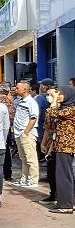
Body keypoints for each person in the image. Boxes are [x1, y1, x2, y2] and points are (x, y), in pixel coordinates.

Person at [42, 85, 75, 213]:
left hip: (66, 146)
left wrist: (54, 99)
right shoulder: (65, 108)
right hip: (59, 145)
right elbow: (50, 121)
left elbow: (51, 112)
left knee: (64, 176)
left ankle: (65, 205)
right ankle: (68, 202)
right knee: (63, 175)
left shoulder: (71, 109)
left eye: (61, 94)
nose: (59, 96)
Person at [12, 81, 40, 188]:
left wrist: (26, 132)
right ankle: (24, 179)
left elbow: (33, 118)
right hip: (19, 133)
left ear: (25, 89)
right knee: (23, 158)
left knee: (30, 158)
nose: (16, 89)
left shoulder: (31, 102)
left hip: (26, 134)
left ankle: (33, 180)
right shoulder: (20, 101)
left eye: (17, 88)